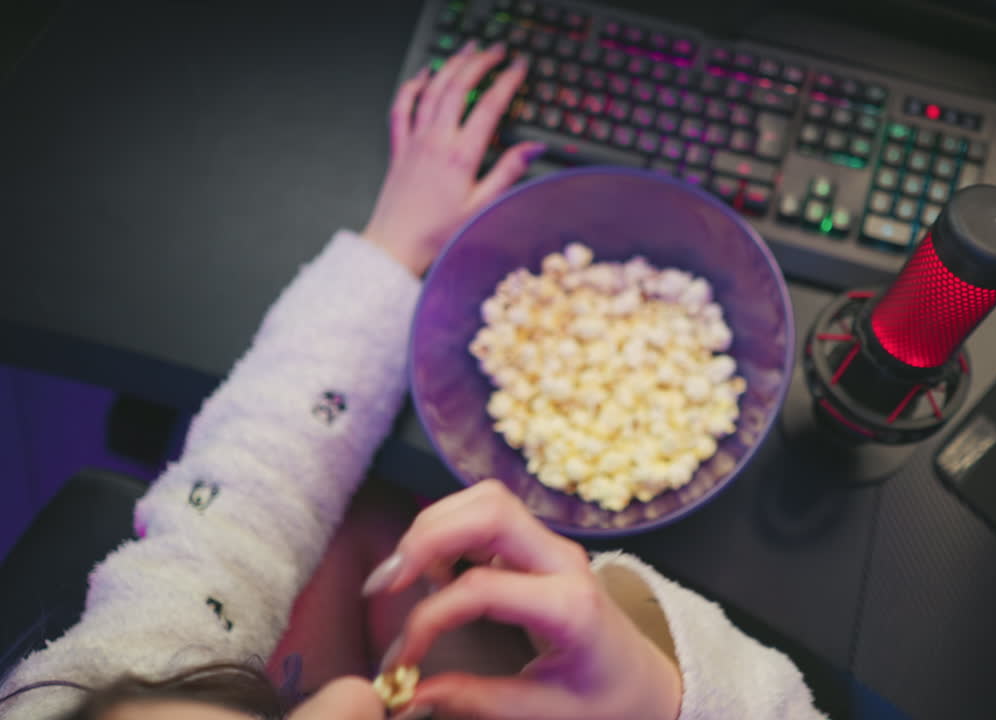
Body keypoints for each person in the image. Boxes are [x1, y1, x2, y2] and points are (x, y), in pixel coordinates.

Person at [0, 41, 825, 720]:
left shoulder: (115, 667)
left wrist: (387, 253)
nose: (356, 702)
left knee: (381, 533)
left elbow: (247, 485)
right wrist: (664, 704)